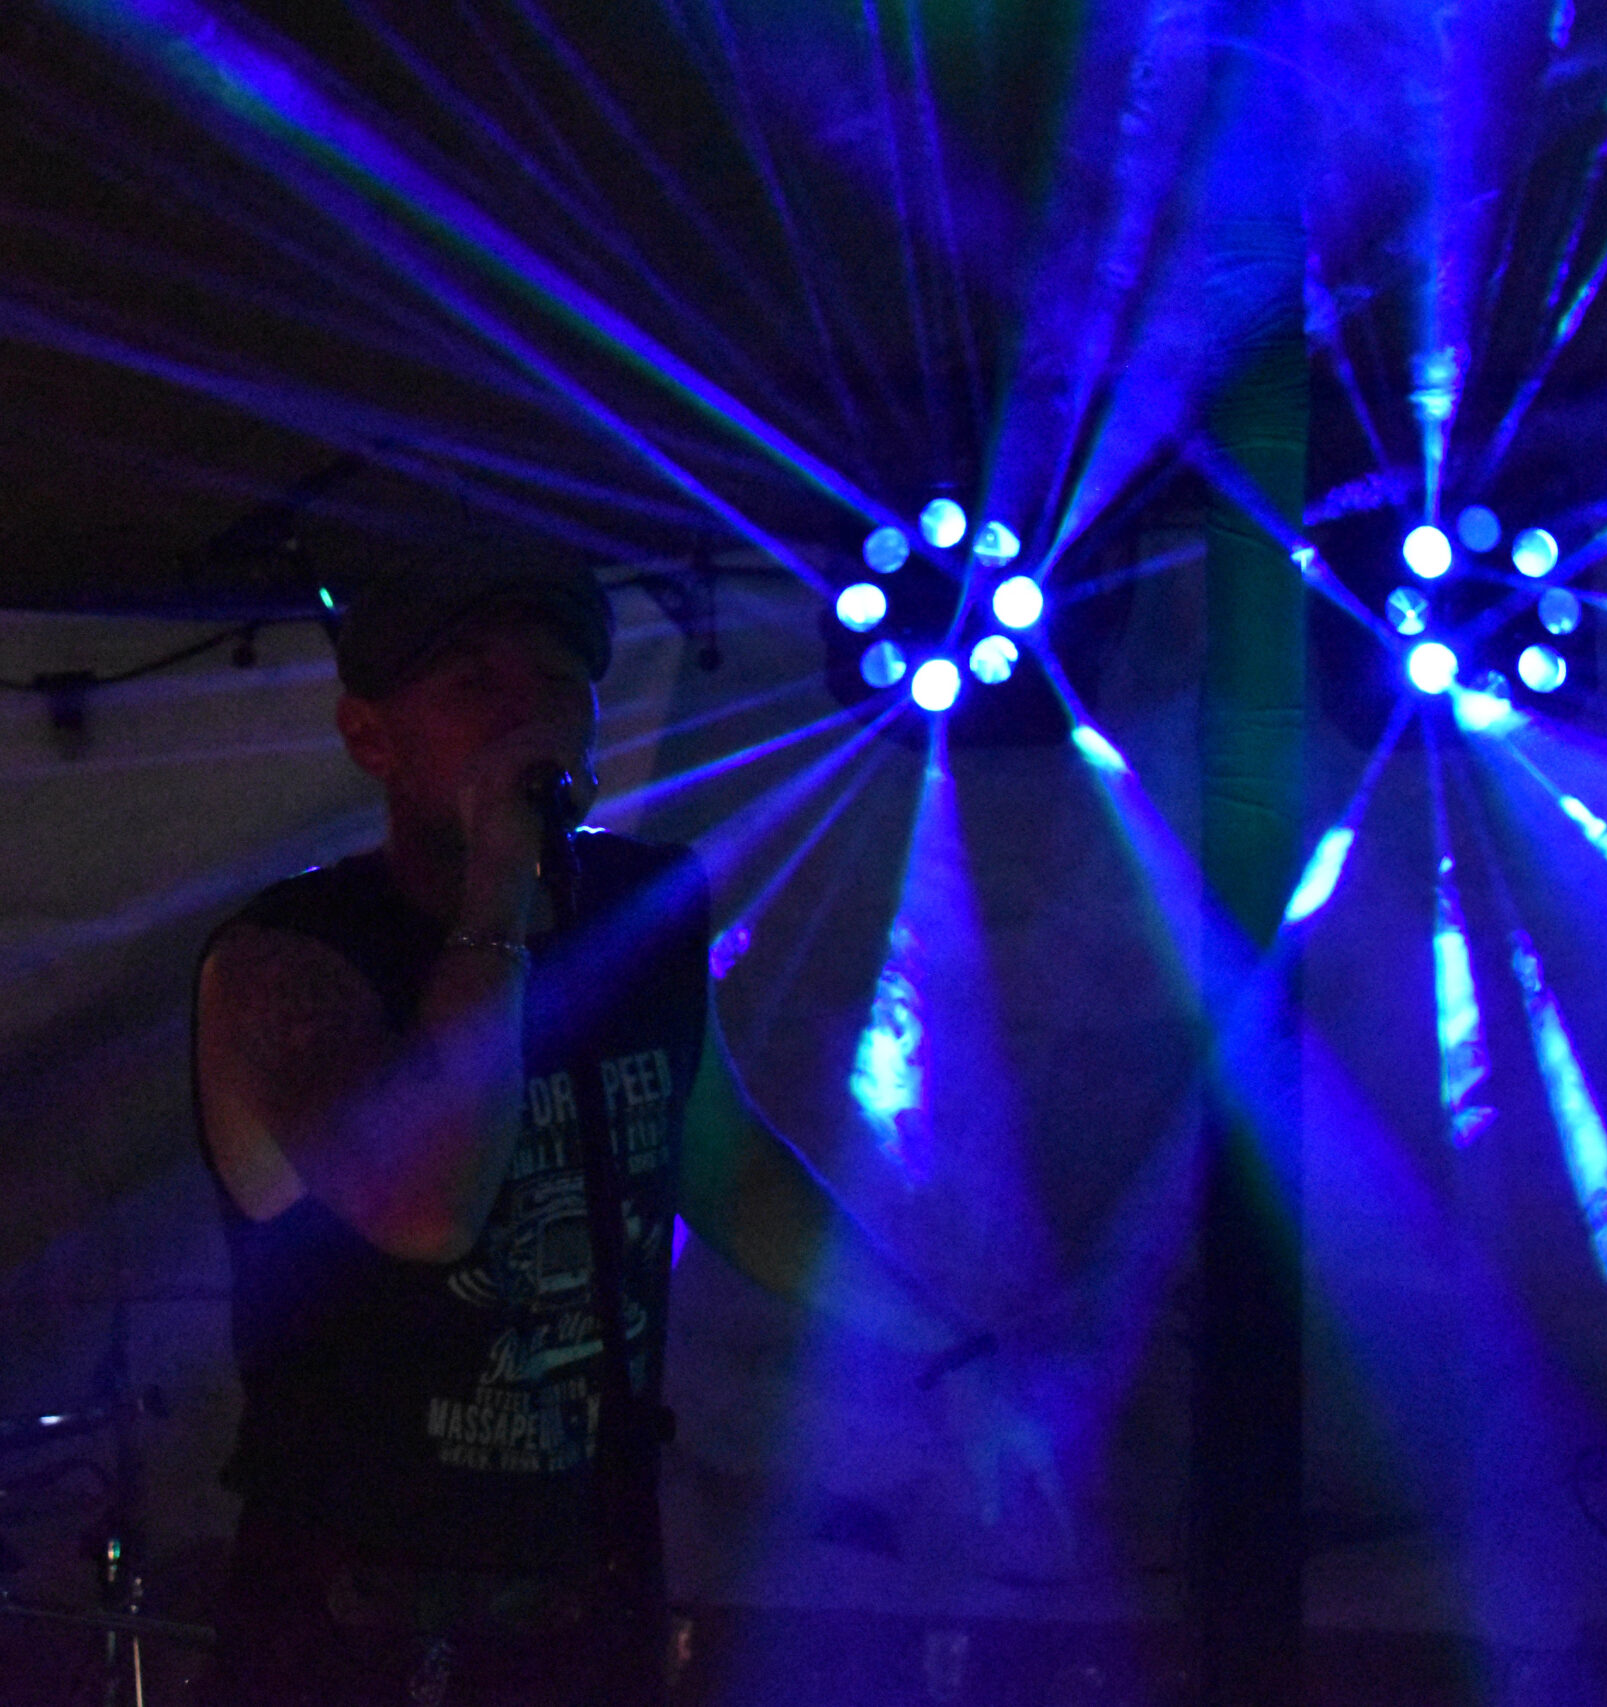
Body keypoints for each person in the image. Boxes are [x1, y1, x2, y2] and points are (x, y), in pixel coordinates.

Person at [192, 541, 1052, 1706]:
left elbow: (725, 1170)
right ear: (370, 739)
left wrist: (950, 1354)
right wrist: (499, 895)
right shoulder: (292, 958)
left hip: (591, 1576)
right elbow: (428, 1209)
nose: (529, 715)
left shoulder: (641, 906)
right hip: (359, 1611)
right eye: (474, 685)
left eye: (559, 680)